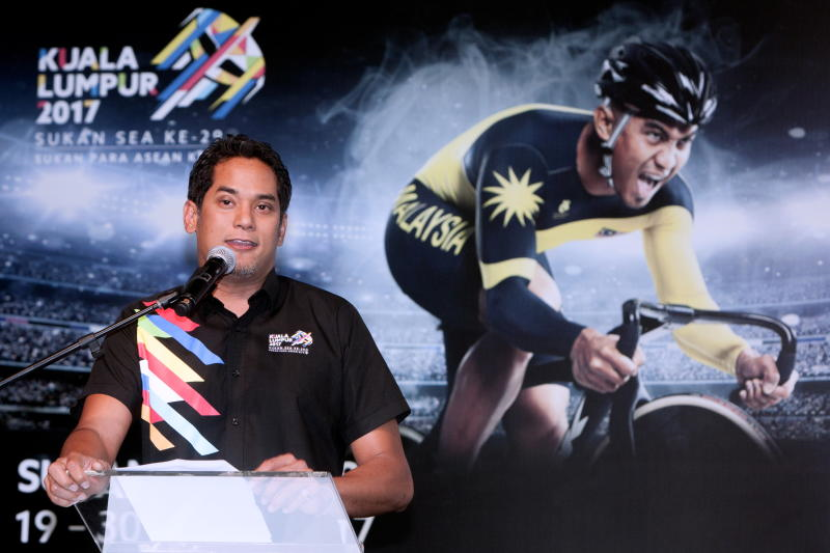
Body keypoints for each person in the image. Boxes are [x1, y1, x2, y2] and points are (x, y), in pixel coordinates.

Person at [384, 42, 797, 472]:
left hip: (505, 245)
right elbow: (507, 302)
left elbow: (687, 304)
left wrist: (741, 358)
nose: (667, 161)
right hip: (427, 224)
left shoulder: (669, 201)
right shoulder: (525, 152)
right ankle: (442, 486)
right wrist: (581, 342)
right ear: (605, 122)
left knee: (545, 428)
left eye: (683, 141)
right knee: (537, 299)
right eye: (655, 134)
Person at [46, 135, 414, 518]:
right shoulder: (145, 322)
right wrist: (80, 465)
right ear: (191, 216)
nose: (245, 220)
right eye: (227, 201)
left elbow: (393, 480)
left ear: (282, 228)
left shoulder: (333, 319)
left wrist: (319, 492)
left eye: (264, 206)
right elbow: (96, 432)